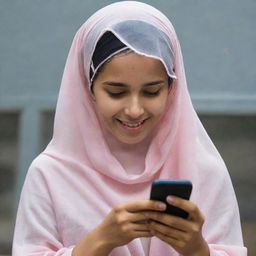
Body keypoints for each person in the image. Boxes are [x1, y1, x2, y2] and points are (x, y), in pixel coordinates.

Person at [12, 1, 247, 256]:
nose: (134, 109)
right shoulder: (50, 174)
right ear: (88, 88)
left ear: (172, 90)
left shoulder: (204, 170)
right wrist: (99, 242)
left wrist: (197, 250)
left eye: (152, 91)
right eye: (116, 92)